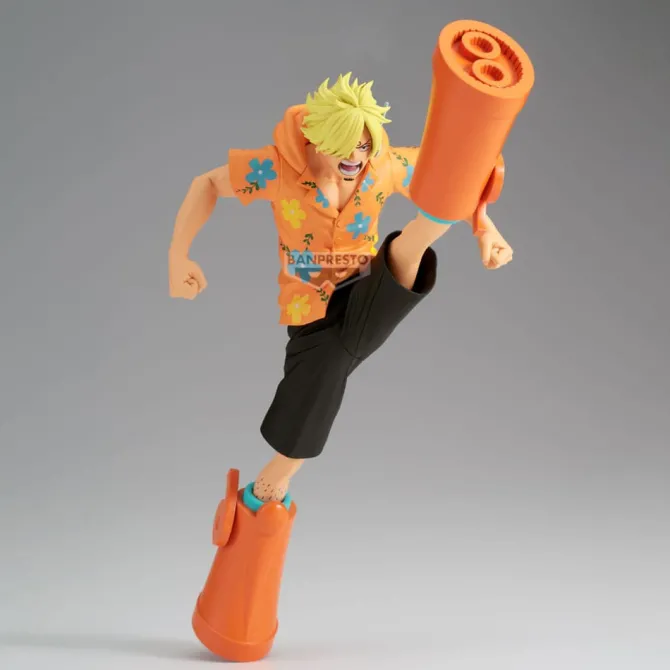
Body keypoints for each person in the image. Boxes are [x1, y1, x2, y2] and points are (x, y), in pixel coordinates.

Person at [168, 72, 513, 662]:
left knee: (409, 246)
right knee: (331, 360)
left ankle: (267, 487)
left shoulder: (382, 165)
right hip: (309, 315)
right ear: (317, 140)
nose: (357, 156)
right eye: (346, 145)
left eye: (365, 144)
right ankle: (268, 489)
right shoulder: (277, 169)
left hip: (366, 289)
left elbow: (462, 174)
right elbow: (207, 183)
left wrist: (485, 227)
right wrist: (180, 254)